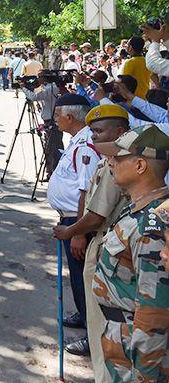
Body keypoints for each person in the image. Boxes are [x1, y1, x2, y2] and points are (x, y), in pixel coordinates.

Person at [52, 104, 129, 373]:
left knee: (98, 308)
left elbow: (96, 212)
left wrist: (74, 231)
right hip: (93, 234)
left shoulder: (118, 162)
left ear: (120, 131)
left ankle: (96, 348)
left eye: (99, 131)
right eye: (93, 130)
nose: (94, 136)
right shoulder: (107, 157)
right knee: (82, 289)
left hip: (102, 239)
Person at [91, 125, 169, 382]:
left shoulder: (152, 224)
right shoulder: (138, 208)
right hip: (122, 339)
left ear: (140, 166)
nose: (110, 161)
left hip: (136, 349)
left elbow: (154, 310)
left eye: (118, 157)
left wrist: (143, 376)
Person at [46, 94, 100, 342]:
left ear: (69, 116)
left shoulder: (86, 145)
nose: (55, 120)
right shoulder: (78, 140)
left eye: (57, 115)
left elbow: (86, 192)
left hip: (78, 223)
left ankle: (92, 335)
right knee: (77, 277)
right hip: (71, 220)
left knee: (83, 277)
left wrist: (78, 232)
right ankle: (82, 314)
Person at [22, 73, 63, 175]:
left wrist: (24, 88)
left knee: (51, 147)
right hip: (53, 120)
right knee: (55, 145)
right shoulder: (53, 87)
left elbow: (34, 97)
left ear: (45, 79)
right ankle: (52, 170)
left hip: (50, 121)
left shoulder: (48, 89)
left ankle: (53, 171)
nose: (37, 79)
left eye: (39, 77)